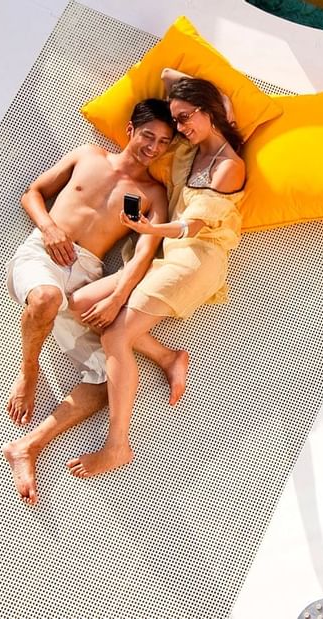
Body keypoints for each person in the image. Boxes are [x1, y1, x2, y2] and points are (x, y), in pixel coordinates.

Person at [2, 99, 188, 505]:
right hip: (42, 256)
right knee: (48, 297)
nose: (153, 147)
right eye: (147, 136)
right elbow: (33, 193)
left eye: (163, 142)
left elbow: (143, 255)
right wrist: (50, 226)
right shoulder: (88, 155)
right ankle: (29, 371)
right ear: (129, 130)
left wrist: (117, 295)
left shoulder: (153, 194)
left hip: (85, 274)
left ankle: (28, 445)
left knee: (112, 379)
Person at [65, 76, 247, 478]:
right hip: (167, 252)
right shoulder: (191, 147)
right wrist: (213, 101)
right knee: (78, 305)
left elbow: (193, 227)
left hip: (196, 258)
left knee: (115, 334)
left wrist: (148, 230)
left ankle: (118, 444)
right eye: (177, 119)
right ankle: (168, 356)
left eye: (185, 118)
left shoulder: (229, 167)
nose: (179, 128)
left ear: (206, 112)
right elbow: (168, 74)